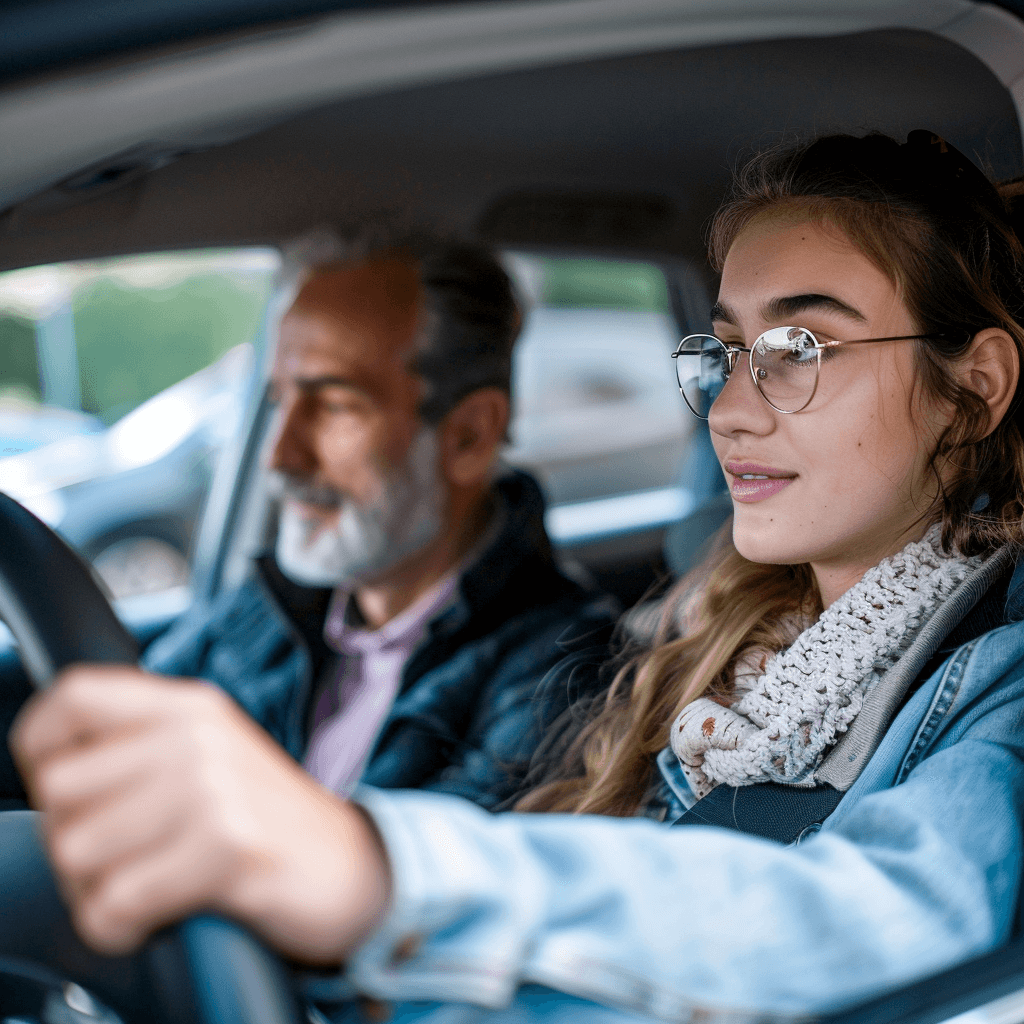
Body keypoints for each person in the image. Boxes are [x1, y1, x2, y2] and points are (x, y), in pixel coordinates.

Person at [12, 129, 1024, 1022]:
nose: (727, 409)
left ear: (971, 388)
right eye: (724, 350)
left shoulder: (999, 680)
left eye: (799, 347)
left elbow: (878, 911)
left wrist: (378, 870)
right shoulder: (724, 652)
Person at [135, 232, 616, 809]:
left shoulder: (564, 671)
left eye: (336, 405)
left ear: (469, 436)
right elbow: (116, 747)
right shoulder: (271, 604)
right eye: (280, 403)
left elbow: (431, 893)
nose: (279, 457)